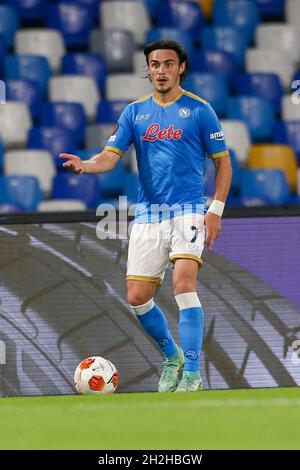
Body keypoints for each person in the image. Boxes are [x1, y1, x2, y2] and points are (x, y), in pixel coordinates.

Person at [59, 40, 232, 392]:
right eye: (155, 64)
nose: (161, 71)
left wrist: (215, 209)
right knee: (137, 296)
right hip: (149, 214)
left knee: (184, 284)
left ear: (181, 68)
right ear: (148, 69)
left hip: (188, 210)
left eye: (168, 64)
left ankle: (194, 374)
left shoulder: (200, 110)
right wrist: (86, 165)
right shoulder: (135, 113)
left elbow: (223, 162)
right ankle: (172, 357)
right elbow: (109, 156)